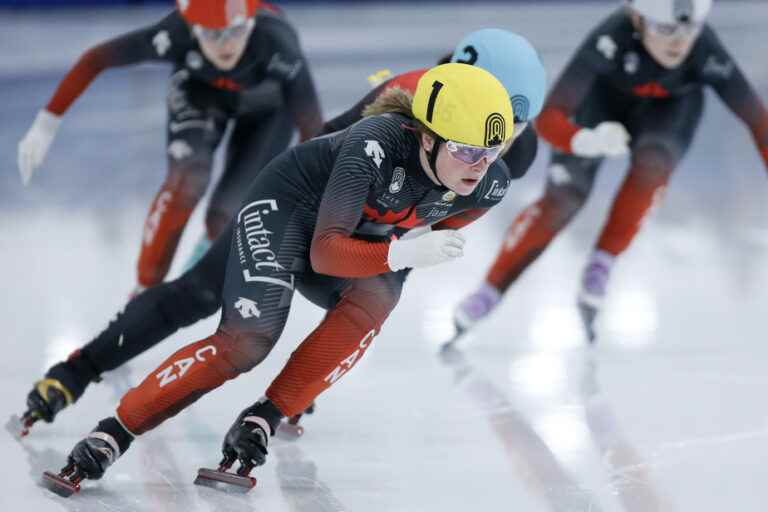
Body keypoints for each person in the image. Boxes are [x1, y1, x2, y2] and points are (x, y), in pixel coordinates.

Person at [18, 29, 547, 436]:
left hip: (364, 228)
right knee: (199, 293)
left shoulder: (509, 144)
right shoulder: (410, 99)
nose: (499, 143)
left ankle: (283, 396)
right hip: (307, 207)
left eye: (511, 130)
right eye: (492, 131)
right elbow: (323, 143)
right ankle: (77, 369)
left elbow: (439, 209)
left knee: (372, 302)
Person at [452, 0, 768, 342]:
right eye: (665, 29)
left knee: (655, 162)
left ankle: (603, 263)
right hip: (599, 105)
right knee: (564, 198)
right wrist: (584, 139)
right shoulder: (611, 39)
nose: (678, 41)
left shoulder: (705, 49)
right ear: (637, 19)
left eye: (689, 28)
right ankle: (491, 288)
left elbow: (758, 120)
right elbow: (549, 117)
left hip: (669, 112)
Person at [17, 0, 323, 294]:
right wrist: (46, 123)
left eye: (237, 30)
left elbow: (312, 131)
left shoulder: (279, 43)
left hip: (267, 110)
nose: (226, 44)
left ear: (252, 22)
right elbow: (97, 58)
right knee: (187, 183)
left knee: (227, 219)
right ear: (192, 28)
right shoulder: (172, 34)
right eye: (212, 33)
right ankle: (144, 288)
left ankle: (208, 243)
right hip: (200, 93)